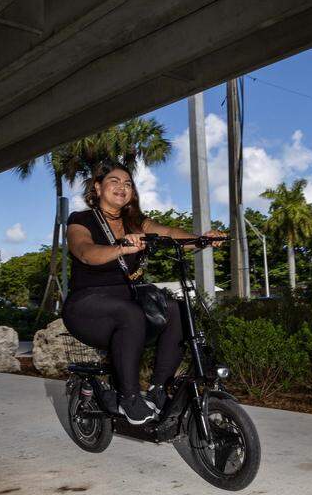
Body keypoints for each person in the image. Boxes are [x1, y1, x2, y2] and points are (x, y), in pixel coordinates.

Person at [62, 160, 224, 425]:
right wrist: (120, 248)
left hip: (128, 301)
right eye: (114, 181)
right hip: (87, 305)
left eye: (128, 183)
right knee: (132, 314)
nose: (122, 187)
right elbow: (85, 252)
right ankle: (129, 399)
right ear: (98, 187)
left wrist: (200, 239)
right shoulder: (81, 220)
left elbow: (170, 233)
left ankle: (158, 389)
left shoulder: (136, 222)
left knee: (176, 310)